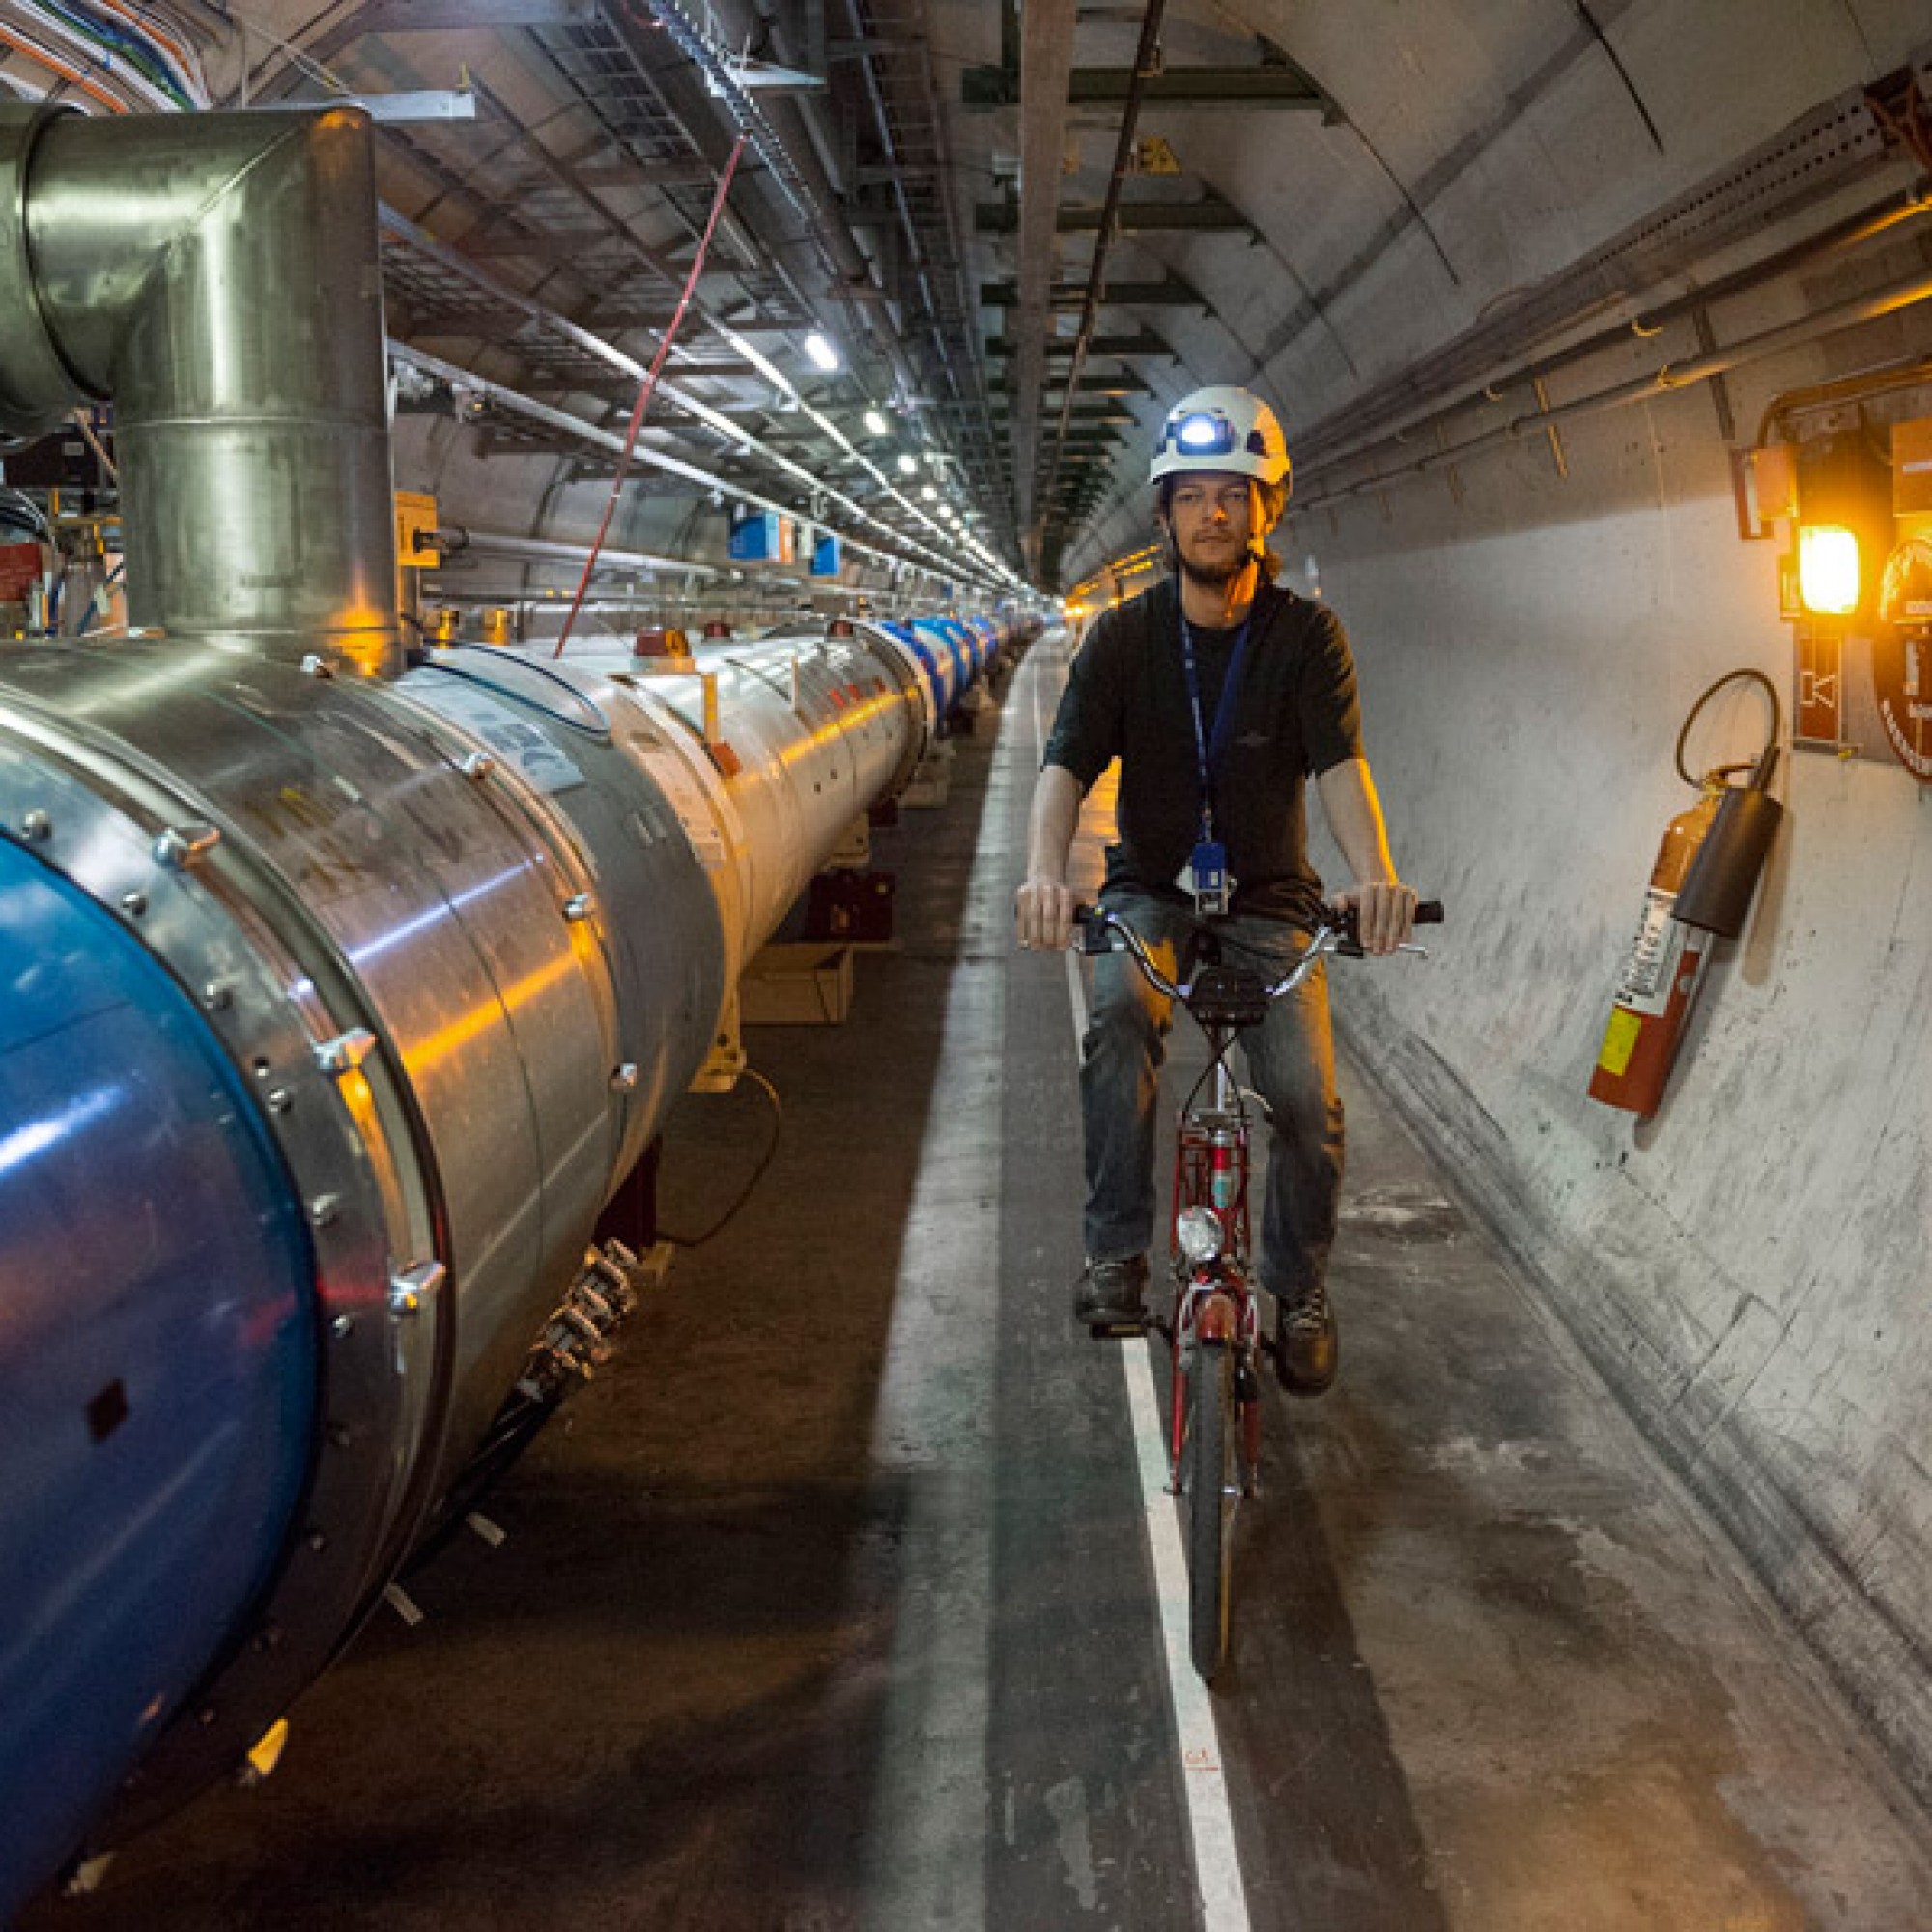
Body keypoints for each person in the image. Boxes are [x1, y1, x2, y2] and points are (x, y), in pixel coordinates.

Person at [1013, 385, 1416, 1395]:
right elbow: (1062, 768)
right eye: (1189, 495)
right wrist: (1041, 873)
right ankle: (1115, 1251)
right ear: (1161, 515)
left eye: (1230, 496)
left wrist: (1374, 877)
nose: (1209, 514)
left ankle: (1299, 1284)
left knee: (1305, 1102)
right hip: (1147, 892)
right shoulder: (1120, 638)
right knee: (1115, 1018)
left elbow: (1339, 773)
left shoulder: (1304, 637)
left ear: (1264, 509)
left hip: (1271, 901)